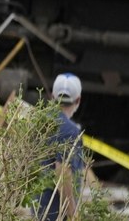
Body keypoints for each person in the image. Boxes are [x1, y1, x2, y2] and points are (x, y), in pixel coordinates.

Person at [37, 73, 85, 221]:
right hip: (56, 213)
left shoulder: (39, 123)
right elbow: (63, 173)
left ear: (52, 96)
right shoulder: (70, 131)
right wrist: (72, 215)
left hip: (39, 207)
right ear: (78, 100)